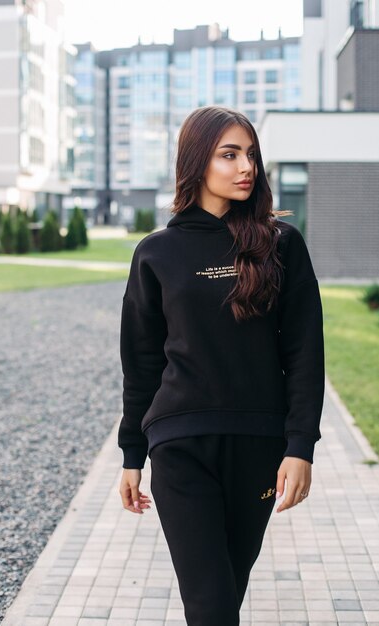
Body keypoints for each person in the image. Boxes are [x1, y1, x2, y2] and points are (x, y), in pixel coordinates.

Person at [118, 105, 325, 626]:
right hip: (180, 446)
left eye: (250, 154)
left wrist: (300, 446)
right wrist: (131, 454)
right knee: (209, 606)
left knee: (225, 597)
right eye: (229, 154)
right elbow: (141, 362)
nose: (245, 167)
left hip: (258, 446)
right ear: (196, 162)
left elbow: (304, 352)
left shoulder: (281, 245)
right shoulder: (156, 253)